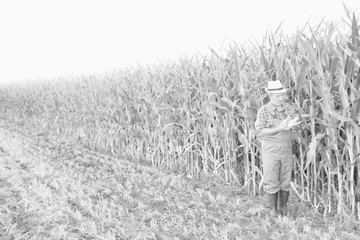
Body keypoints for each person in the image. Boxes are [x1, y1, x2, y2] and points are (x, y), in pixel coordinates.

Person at [254, 80, 301, 216]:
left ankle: (283, 208)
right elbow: (260, 131)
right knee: (271, 179)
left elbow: (297, 125)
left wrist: (294, 124)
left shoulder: (288, 108)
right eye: (278, 96)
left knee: (285, 178)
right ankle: (273, 210)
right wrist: (278, 129)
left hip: (286, 149)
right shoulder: (263, 111)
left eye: (282, 95)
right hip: (270, 150)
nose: (281, 98)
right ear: (270, 95)